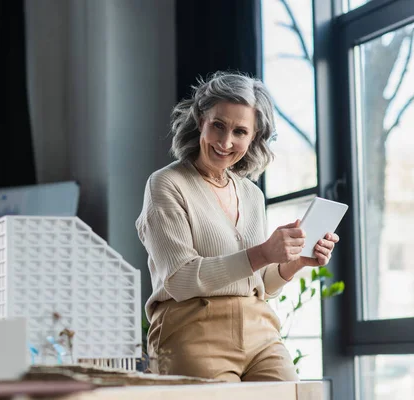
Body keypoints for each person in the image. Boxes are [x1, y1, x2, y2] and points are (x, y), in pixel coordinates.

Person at [135, 71, 339, 382]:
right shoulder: (166, 184)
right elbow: (179, 279)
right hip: (192, 330)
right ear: (201, 120)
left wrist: (295, 262)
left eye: (240, 132)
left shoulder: (251, 195)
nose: (226, 142)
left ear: (254, 137)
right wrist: (263, 252)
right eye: (218, 125)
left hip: (260, 332)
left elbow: (257, 282)